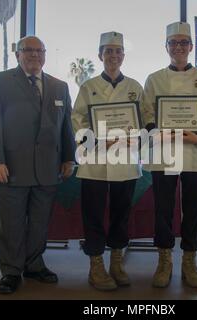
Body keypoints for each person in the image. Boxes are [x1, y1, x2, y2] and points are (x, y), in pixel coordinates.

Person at [0, 36, 76, 294]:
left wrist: (68, 157)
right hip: (9, 168)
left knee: (40, 223)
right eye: (28, 50)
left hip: (48, 169)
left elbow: (67, 126)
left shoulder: (59, 86)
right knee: (10, 224)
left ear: (45, 54)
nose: (34, 55)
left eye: (39, 50)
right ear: (18, 54)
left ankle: (34, 264)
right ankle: (11, 271)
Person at [141, 22, 197, 288]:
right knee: (162, 209)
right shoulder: (154, 79)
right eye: (173, 43)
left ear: (191, 47)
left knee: (192, 209)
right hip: (164, 151)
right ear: (166, 47)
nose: (178, 47)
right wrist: (157, 132)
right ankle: (164, 260)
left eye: (183, 43)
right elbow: (147, 114)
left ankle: (190, 260)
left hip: (195, 152)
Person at [71, 31, 143, 291]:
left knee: (121, 214)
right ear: (100, 55)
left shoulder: (135, 87)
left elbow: (144, 121)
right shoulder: (88, 87)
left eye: (118, 51)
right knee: (93, 214)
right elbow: (77, 119)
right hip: (95, 161)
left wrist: (133, 137)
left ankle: (116, 261)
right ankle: (96, 265)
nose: (113, 55)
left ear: (123, 55)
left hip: (125, 159)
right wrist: (97, 141)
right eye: (108, 51)